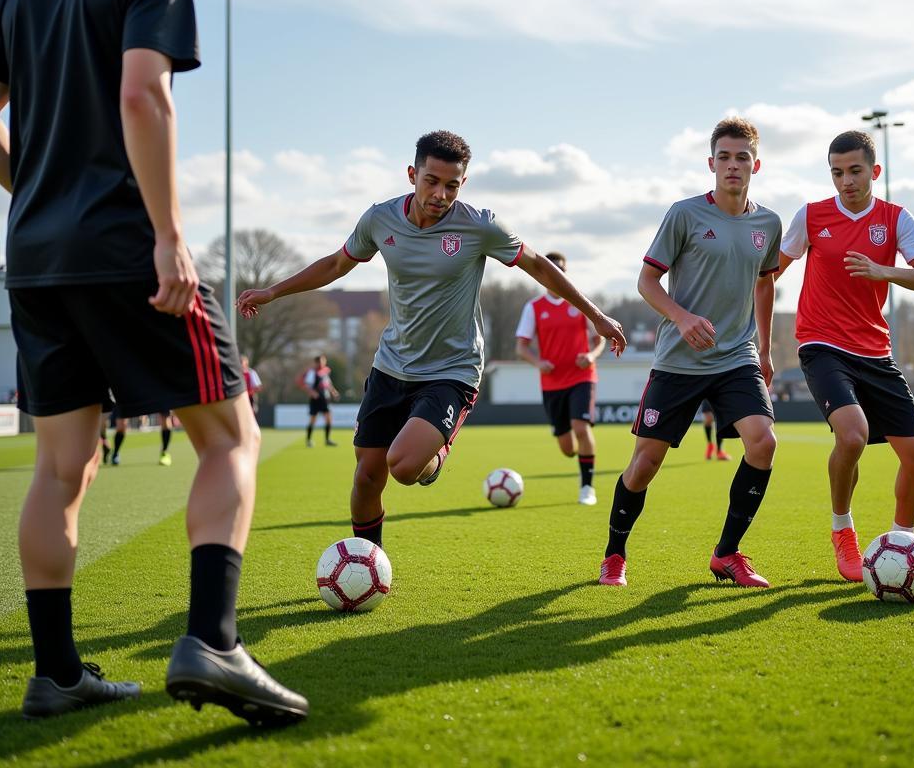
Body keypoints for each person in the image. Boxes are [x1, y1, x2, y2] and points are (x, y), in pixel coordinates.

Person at [0, 0, 305, 724]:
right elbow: (143, 99)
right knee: (231, 438)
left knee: (60, 466)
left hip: (35, 260)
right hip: (127, 249)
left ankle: (57, 671)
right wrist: (165, 234)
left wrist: (38, 200)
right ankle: (216, 643)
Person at [239, 130, 626, 550]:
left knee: (403, 466)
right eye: (432, 181)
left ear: (463, 184)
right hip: (390, 366)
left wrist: (597, 315)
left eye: (452, 185)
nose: (441, 194)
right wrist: (273, 291)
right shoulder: (379, 219)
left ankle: (434, 459)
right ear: (412, 174)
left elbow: (539, 267)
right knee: (368, 475)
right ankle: (369, 564)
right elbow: (336, 263)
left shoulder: (479, 225)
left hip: (452, 370)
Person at [600, 117, 780, 588]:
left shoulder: (768, 223)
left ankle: (727, 553)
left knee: (763, 442)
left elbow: (765, 283)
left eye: (742, 157)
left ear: (755, 164)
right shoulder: (684, 214)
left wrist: (763, 348)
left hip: (736, 357)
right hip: (679, 360)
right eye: (725, 157)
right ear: (711, 163)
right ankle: (614, 554)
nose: (733, 166)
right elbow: (646, 281)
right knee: (644, 467)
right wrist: (681, 317)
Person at [777, 129, 914, 581]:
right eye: (837, 172)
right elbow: (768, 273)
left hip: (875, 352)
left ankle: (903, 544)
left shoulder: (896, 218)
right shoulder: (812, 216)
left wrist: (882, 271)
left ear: (874, 171)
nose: (846, 181)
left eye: (855, 171)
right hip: (821, 345)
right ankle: (843, 531)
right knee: (852, 435)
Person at [515, 252, 603, 505]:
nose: (558, 273)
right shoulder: (533, 308)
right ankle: (579, 455)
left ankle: (587, 487)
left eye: (562, 269)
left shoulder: (579, 303)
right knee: (567, 448)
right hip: (552, 383)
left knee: (581, 428)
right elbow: (521, 347)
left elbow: (600, 339)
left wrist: (591, 355)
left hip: (582, 377)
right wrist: (538, 362)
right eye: (554, 269)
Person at [300, 354, 340, 447]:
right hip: (316, 400)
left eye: (323, 361)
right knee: (313, 419)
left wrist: (334, 392)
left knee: (328, 419)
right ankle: (309, 440)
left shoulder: (325, 372)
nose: (322, 363)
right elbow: (307, 385)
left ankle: (327, 440)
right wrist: (313, 393)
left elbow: (328, 384)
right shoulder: (312, 372)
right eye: (320, 361)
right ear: (316, 362)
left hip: (325, 399)